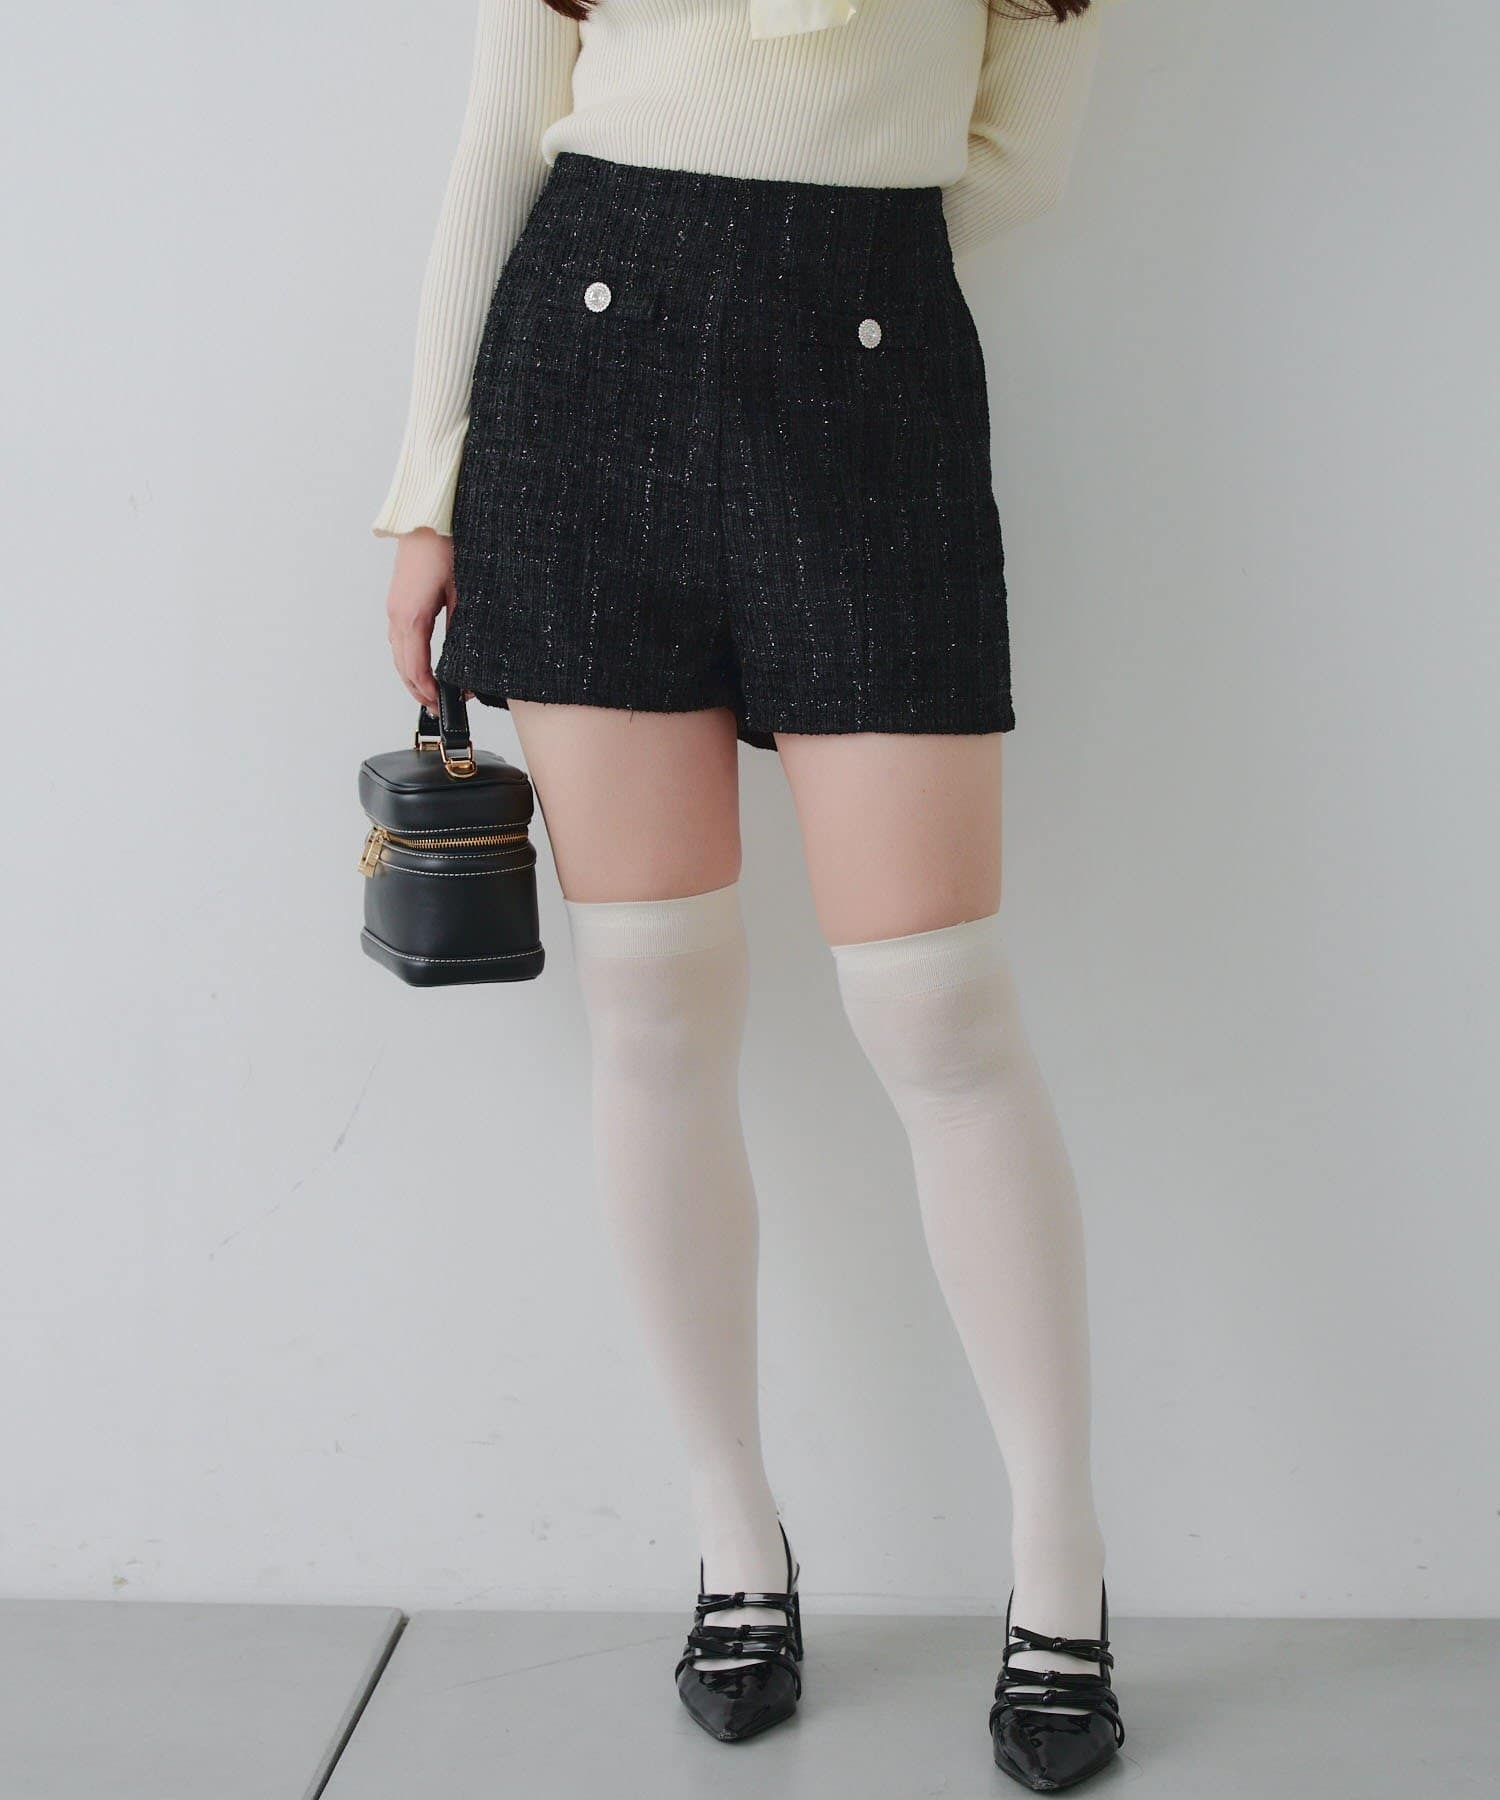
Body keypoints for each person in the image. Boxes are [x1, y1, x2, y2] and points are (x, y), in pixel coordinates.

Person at [375, 1, 1126, 1787]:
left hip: (870, 375)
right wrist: (426, 488)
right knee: (651, 998)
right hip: (581, 377)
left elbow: (1017, 160)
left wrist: (809, 247)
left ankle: (1061, 1566)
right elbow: (501, 139)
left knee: (940, 1007)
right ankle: (735, 1540)